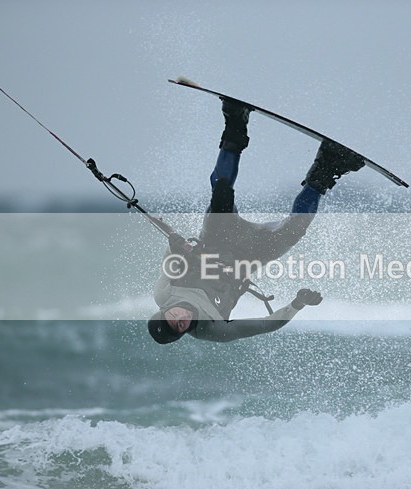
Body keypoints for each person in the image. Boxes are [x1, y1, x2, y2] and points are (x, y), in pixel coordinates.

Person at [148, 98, 364, 343]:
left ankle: (235, 121)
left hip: (215, 240)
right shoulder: (213, 329)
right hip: (250, 257)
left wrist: (177, 243)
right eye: (180, 326)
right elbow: (265, 325)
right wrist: (297, 304)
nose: (182, 318)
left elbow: (171, 254)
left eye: (173, 316)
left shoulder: (164, 294)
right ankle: (327, 164)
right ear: (183, 332)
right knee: (294, 230)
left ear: (165, 310)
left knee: (221, 193)